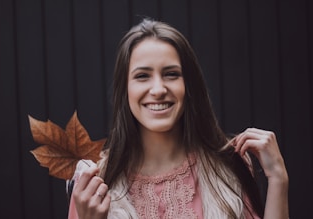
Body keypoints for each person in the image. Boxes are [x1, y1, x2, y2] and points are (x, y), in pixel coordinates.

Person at [67, 18, 289, 219]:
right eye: (142, 76)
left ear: (189, 85)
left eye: (171, 74)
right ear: (125, 91)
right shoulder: (94, 184)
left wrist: (278, 179)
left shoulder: (229, 168)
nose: (158, 89)